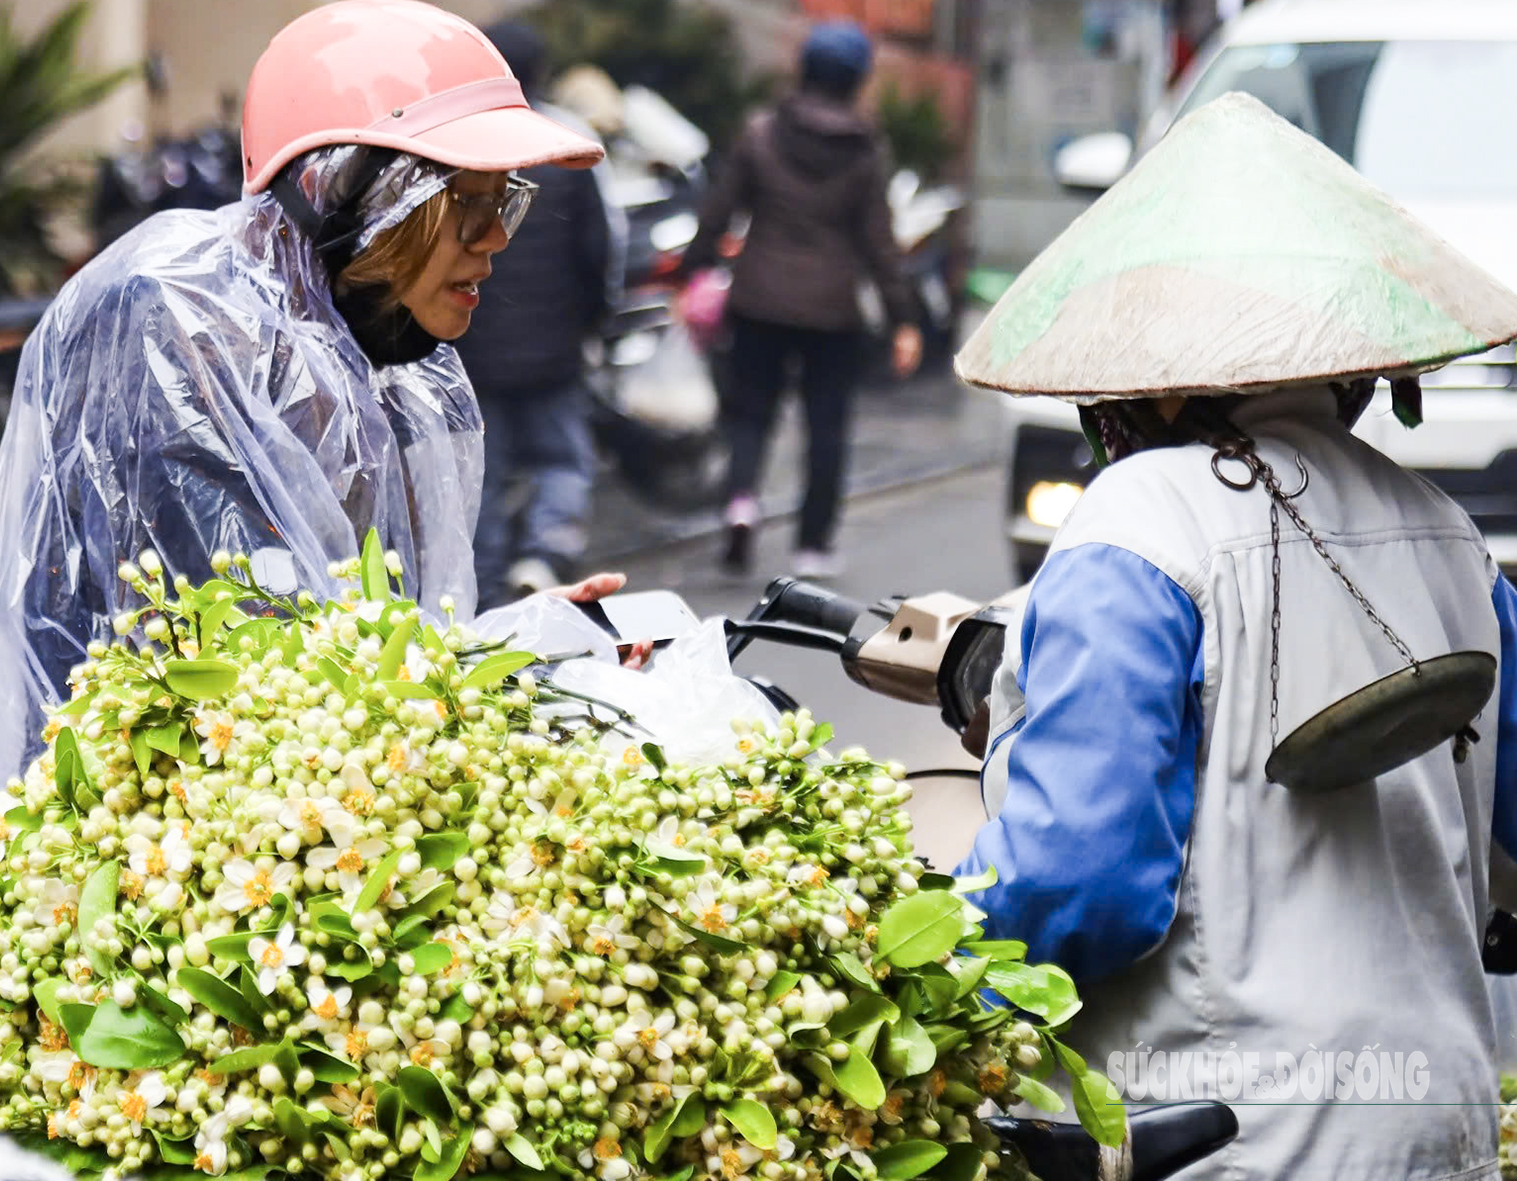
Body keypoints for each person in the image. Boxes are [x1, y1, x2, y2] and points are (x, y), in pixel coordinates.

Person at [0, 0, 642, 895]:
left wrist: (518, 646)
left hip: (285, 845)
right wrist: (489, 679)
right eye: (464, 209)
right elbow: (239, 663)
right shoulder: (178, 321)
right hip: (136, 875)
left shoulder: (385, 354)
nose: (491, 246)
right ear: (347, 193)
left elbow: (353, 636)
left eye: (503, 206)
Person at [951, 93, 1517, 1178]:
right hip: (1434, 1128)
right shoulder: (1449, 537)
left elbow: (1084, 879)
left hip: (1223, 1135)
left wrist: (918, 967)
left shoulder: (1135, 521)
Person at [677, 20, 923, 579]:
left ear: (804, 69)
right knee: (827, 427)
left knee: (749, 413)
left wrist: (690, 274)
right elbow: (879, 242)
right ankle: (812, 545)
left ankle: (741, 500)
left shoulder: (761, 132)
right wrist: (904, 318)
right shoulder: (864, 151)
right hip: (832, 311)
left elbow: (719, 213)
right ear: (857, 79)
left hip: (760, 298)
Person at [457, 20, 624, 608]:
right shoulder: (565, 143)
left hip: (474, 345)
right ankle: (545, 553)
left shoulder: (460, 146)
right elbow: (597, 251)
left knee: (484, 471)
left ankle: (486, 581)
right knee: (562, 460)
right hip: (553, 349)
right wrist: (596, 322)